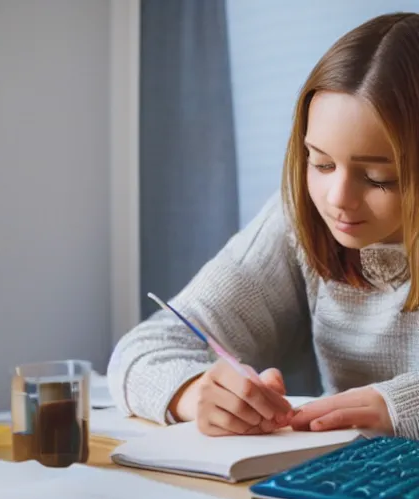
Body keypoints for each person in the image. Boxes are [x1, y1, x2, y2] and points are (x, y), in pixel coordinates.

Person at [107, 12, 419, 440]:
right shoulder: (299, 219)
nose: (337, 198)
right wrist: (196, 393)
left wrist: (401, 407)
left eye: (379, 178)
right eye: (321, 162)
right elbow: (142, 350)